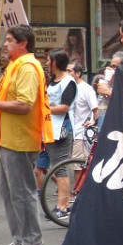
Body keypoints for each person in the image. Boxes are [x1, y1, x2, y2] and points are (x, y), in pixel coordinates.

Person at [0, 24, 53, 245]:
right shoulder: (15, 66)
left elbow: (24, 105)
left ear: (23, 43)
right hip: (7, 139)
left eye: (10, 40)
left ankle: (33, 242)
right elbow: (8, 102)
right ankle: (20, 239)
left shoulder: (28, 67)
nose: (5, 43)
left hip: (20, 140)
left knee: (22, 193)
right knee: (9, 192)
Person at [41, 49, 77, 219]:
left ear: (55, 62)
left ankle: (62, 206)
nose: (47, 63)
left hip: (62, 130)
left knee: (60, 168)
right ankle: (62, 202)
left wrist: (43, 110)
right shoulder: (51, 81)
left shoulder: (68, 82)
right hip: (48, 130)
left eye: (48, 60)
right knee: (51, 167)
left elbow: (64, 107)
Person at [67, 62, 98, 180]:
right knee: (76, 165)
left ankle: (78, 193)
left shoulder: (86, 89)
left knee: (79, 166)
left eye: (70, 71)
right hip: (71, 132)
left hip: (81, 133)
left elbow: (95, 108)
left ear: (78, 73)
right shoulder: (70, 87)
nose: (67, 73)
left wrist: (93, 121)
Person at [96, 51, 123, 128]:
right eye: (111, 66)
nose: (111, 69)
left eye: (114, 66)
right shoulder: (112, 84)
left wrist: (108, 92)